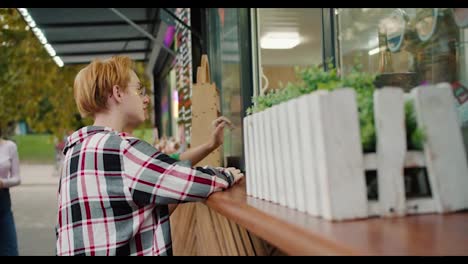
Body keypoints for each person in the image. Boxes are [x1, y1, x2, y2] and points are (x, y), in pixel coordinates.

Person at [56, 55, 244, 256]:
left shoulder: (76, 151)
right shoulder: (118, 149)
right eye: (139, 90)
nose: (146, 99)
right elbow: (186, 180)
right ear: (118, 93)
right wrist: (228, 175)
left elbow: (164, 168)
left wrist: (210, 145)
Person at [0, 128, 21, 256]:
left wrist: (3, 183)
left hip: (3, 203)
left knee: (10, 250)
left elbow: (17, 178)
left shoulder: (10, 146)